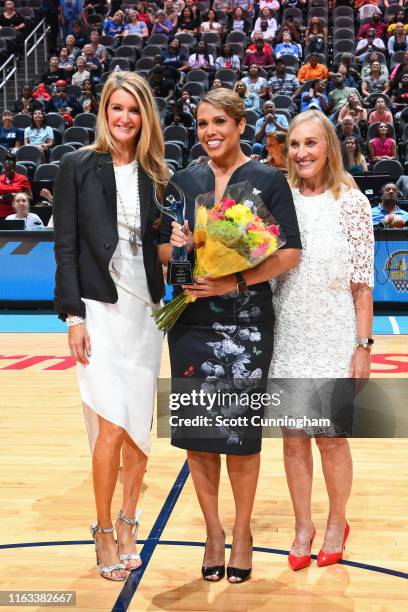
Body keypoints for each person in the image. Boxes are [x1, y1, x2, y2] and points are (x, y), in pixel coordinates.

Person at [158, 88, 301, 584]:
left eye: (220, 122)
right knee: (199, 435)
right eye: (202, 124)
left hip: (246, 322)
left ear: (240, 125)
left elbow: (288, 254)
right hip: (189, 321)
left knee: (240, 439)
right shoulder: (183, 180)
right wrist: (178, 246)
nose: (210, 132)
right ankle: (213, 533)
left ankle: (242, 533)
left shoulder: (267, 180)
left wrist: (233, 280)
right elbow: (160, 251)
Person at [53, 71, 169, 582]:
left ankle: (129, 522)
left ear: (145, 117)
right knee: (110, 427)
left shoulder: (157, 175)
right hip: (99, 312)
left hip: (147, 315)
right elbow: (66, 247)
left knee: (139, 432)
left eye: (134, 110)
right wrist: (73, 316)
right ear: (104, 110)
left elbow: (161, 250)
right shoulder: (76, 166)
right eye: (117, 108)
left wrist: (184, 244)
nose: (125, 118)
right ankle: (101, 529)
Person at [269, 109, 374, 571]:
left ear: (329, 145)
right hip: (288, 330)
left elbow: (363, 284)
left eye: (311, 143)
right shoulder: (280, 198)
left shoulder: (352, 203)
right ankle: (302, 526)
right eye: (295, 144)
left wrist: (363, 346)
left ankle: (335, 523)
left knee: (330, 438)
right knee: (293, 437)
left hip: (334, 333)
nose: (302, 152)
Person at [0, 154, 32, 218]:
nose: (8, 172)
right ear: (4, 168)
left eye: (11, 169)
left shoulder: (23, 179)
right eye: (7, 169)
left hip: (17, 214)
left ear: (15, 167)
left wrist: (17, 196)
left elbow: (30, 197)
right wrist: (2, 197)